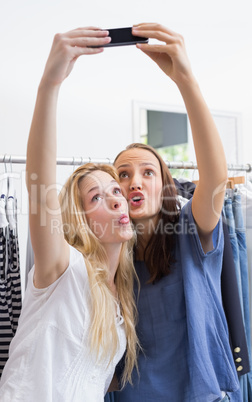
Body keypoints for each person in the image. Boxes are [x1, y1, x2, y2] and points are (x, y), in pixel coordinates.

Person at [0, 28, 140, 402]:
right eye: (96, 196)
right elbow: (39, 185)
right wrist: (50, 84)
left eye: (116, 192)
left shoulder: (119, 300)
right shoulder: (63, 268)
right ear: (80, 219)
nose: (116, 200)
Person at [105, 23, 242, 402]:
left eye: (148, 173)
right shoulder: (110, 254)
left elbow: (215, 177)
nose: (135, 182)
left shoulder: (190, 233)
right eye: (123, 175)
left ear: (165, 186)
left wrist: (185, 80)